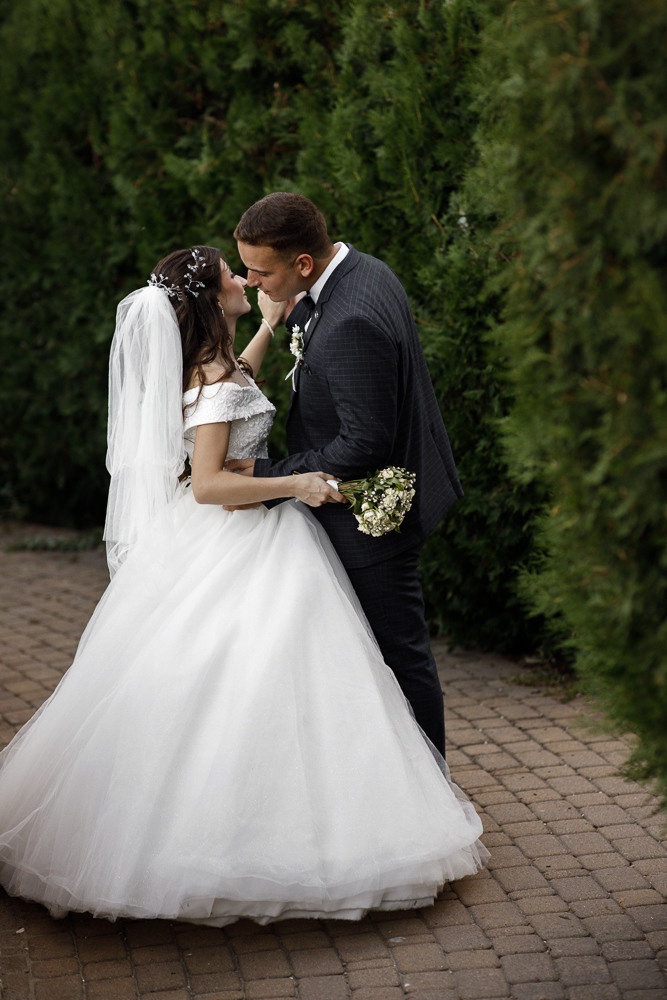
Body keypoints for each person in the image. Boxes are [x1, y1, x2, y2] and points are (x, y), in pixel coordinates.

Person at [0, 245, 487, 928]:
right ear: (209, 296)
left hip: (243, 537)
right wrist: (295, 483)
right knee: (257, 678)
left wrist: (266, 324)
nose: (244, 278)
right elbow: (207, 484)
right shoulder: (211, 378)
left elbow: (234, 394)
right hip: (242, 535)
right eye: (234, 275)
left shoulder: (214, 368)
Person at [233, 192, 461, 757]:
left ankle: (431, 790)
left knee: (398, 656)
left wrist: (267, 475)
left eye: (261, 271)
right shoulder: (361, 270)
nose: (251, 281)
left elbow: (363, 443)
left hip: (371, 522)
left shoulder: (351, 318)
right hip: (376, 497)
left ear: (303, 263)